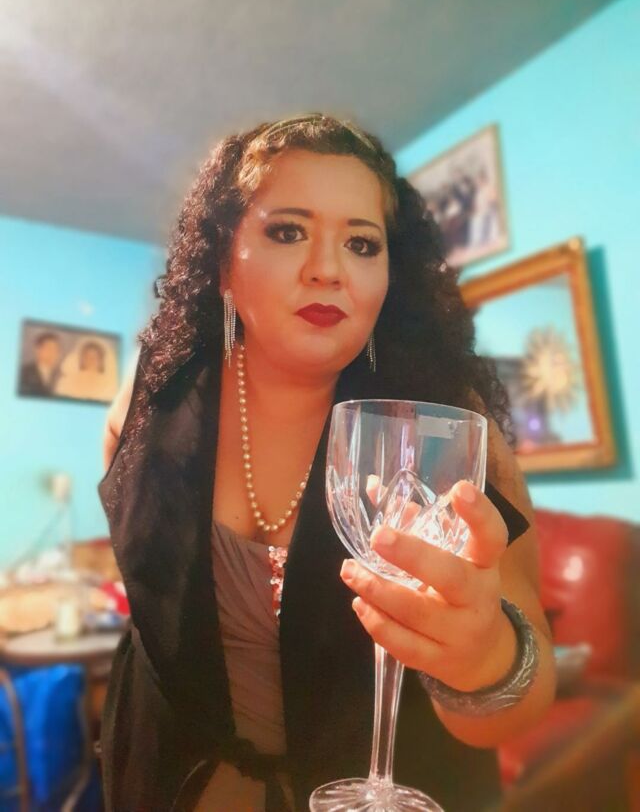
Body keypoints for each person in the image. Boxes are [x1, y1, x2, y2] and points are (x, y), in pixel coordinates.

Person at [98, 113, 556, 812]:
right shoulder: (146, 401)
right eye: (288, 231)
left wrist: (485, 659)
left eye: (362, 243)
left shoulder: (450, 426)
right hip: (172, 783)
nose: (328, 268)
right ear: (223, 262)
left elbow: (521, 702)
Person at [18, 331, 62, 396]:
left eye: (56, 350)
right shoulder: (23, 373)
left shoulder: (61, 375)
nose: (53, 353)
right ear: (37, 350)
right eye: (49, 349)